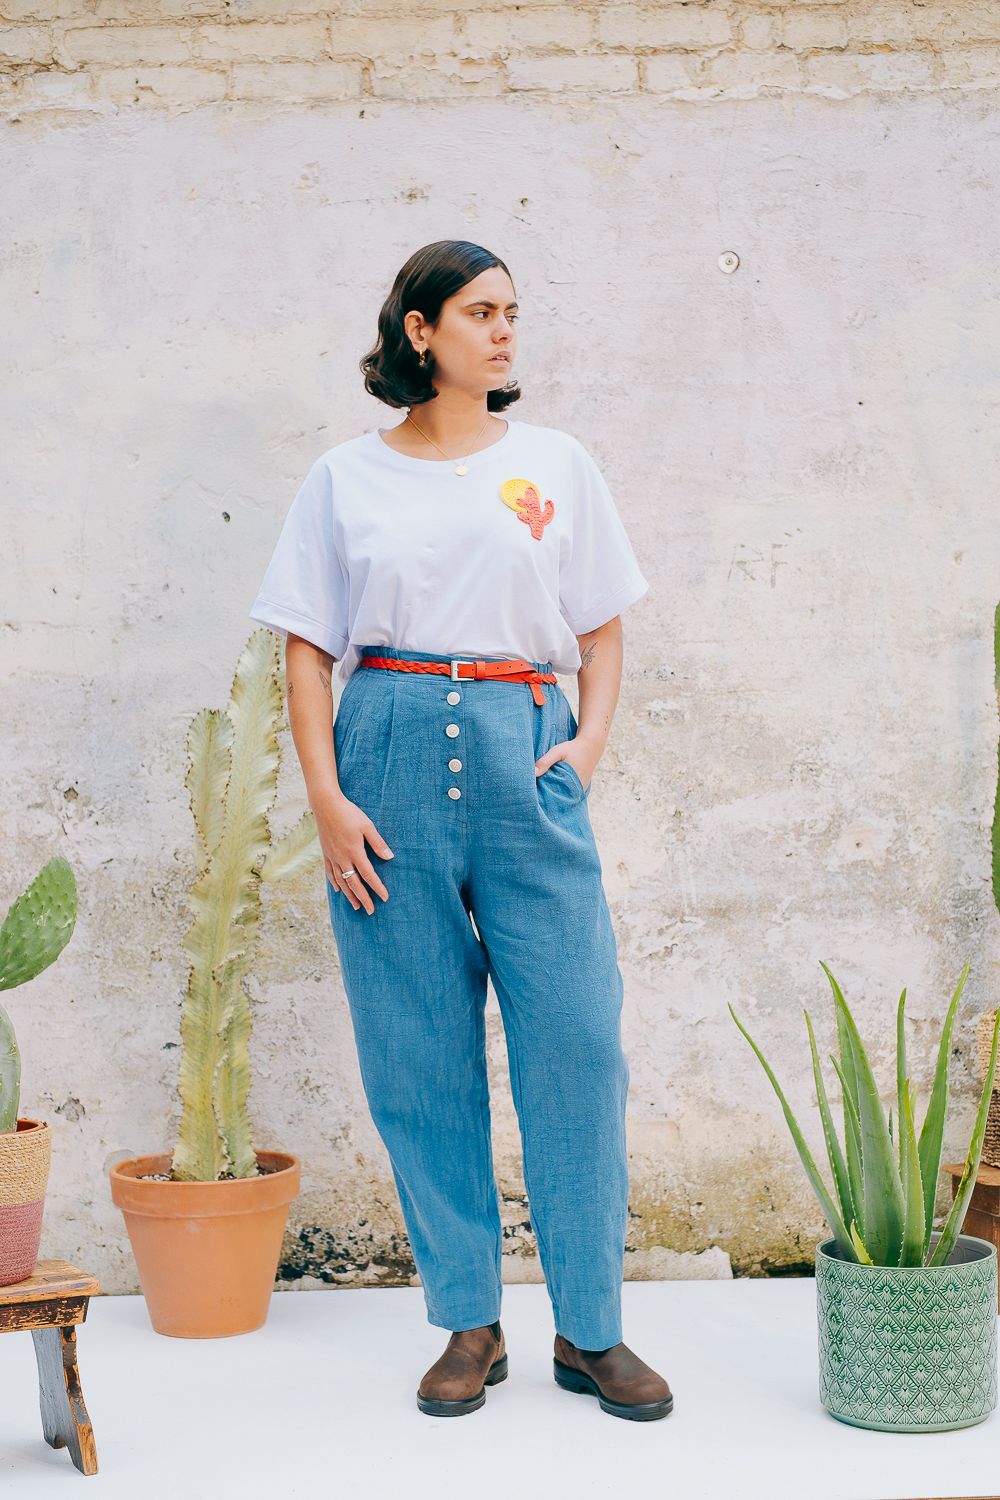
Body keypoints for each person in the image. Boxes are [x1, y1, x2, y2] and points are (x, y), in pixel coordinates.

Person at [249, 239, 673, 1423]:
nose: (504, 332)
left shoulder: (556, 464)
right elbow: (303, 645)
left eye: (513, 314)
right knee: (417, 1058)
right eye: (480, 313)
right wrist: (329, 801)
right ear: (420, 331)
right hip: (381, 748)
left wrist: (581, 751)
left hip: (522, 747)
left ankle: (590, 1331)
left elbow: (600, 627)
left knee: (578, 1048)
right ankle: (468, 1324)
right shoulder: (344, 478)